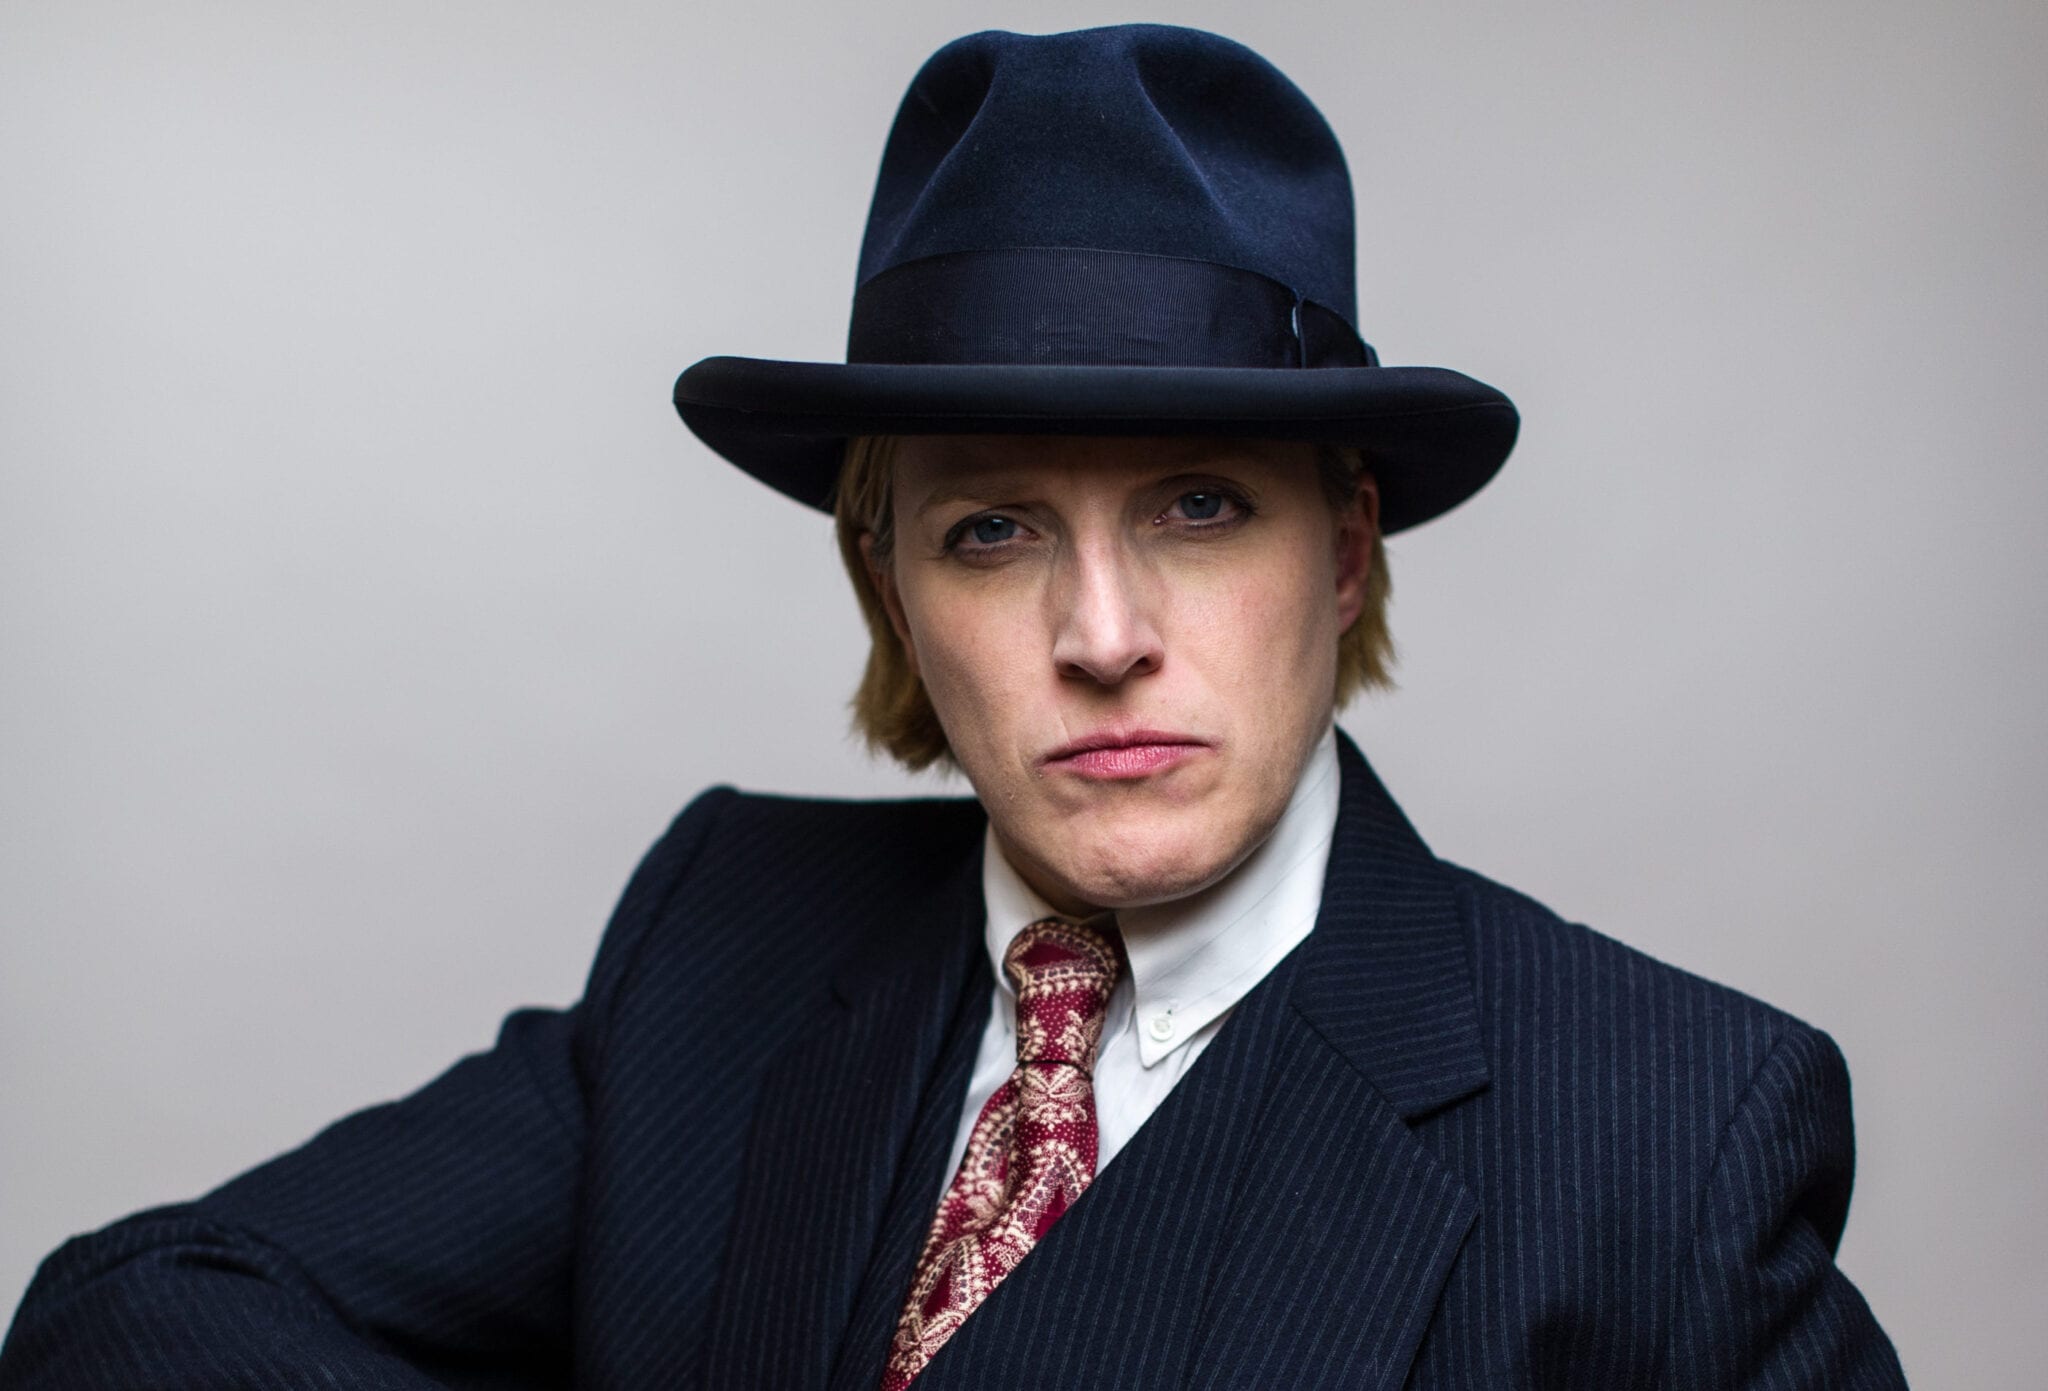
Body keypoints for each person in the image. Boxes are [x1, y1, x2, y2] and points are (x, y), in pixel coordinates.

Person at [0, 23, 1906, 1390]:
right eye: (993, 530)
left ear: (1343, 552)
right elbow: (133, 1311)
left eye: (1200, 508)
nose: (1102, 633)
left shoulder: (1671, 1135)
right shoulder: (726, 940)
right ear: (891, 588)